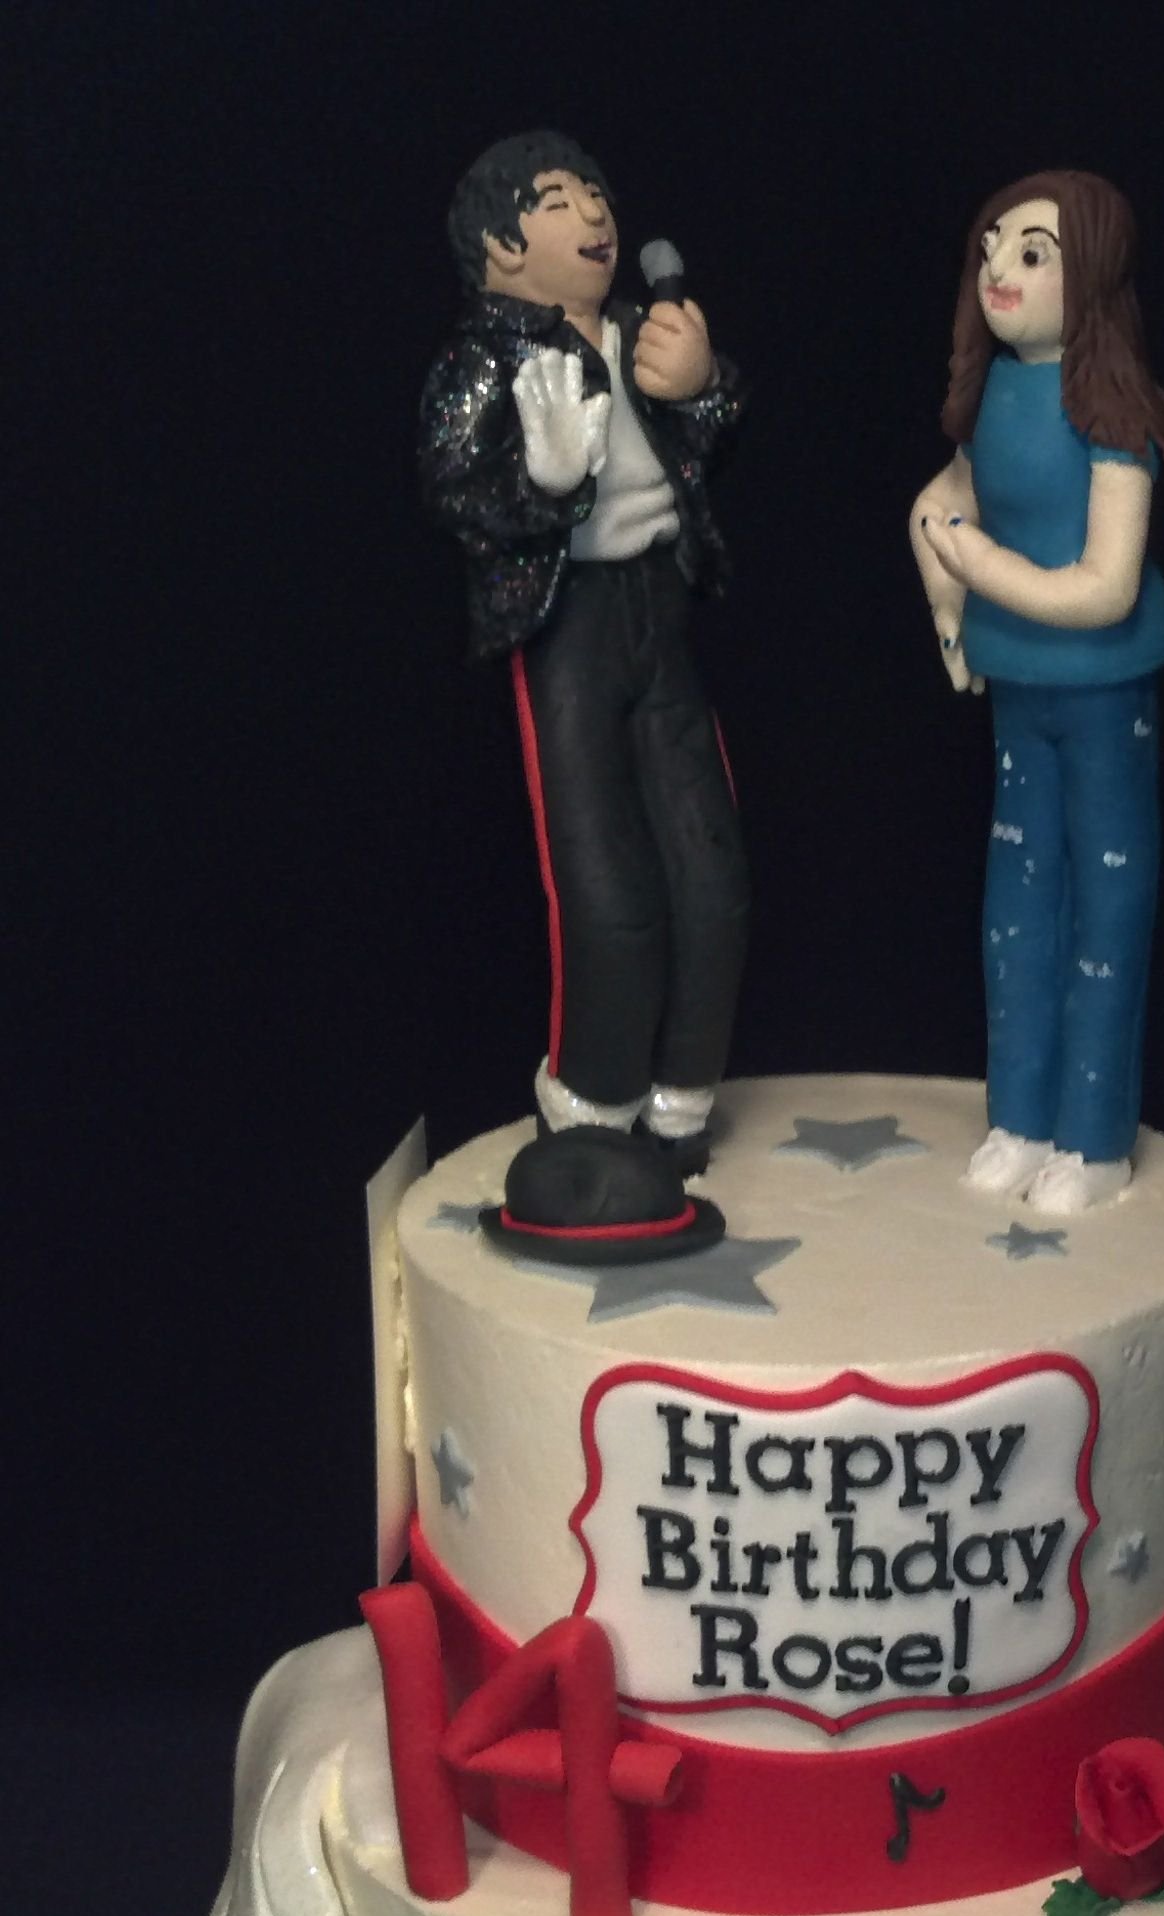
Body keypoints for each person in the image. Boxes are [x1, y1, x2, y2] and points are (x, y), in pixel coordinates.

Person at [420, 131, 749, 1245]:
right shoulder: (487, 355)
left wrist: (701, 390)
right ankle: (594, 1113)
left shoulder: (641, 328)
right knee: (606, 886)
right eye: (558, 200)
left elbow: (706, 442)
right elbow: (453, 484)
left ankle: (681, 1106)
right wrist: (543, 483)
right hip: (569, 629)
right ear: (502, 247)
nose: (595, 214)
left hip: (662, 610)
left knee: (710, 871)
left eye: (596, 192)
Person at [910, 171, 1164, 1215]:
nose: (1000, 267)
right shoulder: (993, 392)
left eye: (1034, 253)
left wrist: (980, 568)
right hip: (1015, 690)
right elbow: (941, 501)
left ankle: (1094, 1134)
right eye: (993, 244)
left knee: (1105, 902)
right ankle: (1021, 1117)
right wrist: (946, 596)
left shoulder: (1115, 414)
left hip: (1103, 692)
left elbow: (1105, 585)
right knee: (1016, 904)